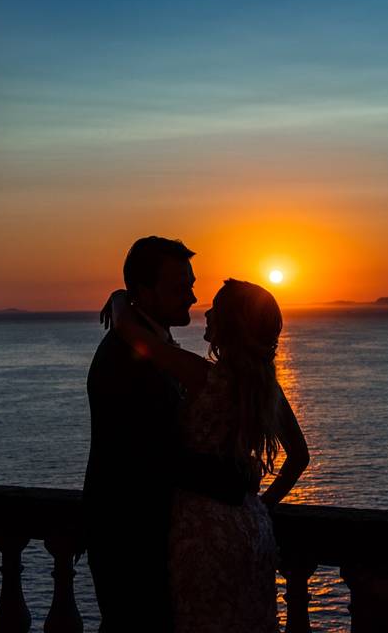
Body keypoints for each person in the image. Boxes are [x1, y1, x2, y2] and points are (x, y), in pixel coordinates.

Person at [103, 278, 310, 633]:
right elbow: (299, 457)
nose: (206, 312)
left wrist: (120, 296)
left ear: (228, 323)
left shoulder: (201, 375)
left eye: (215, 307)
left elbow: (129, 333)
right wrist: (263, 506)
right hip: (251, 527)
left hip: (201, 527)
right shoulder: (262, 385)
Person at [83, 237, 252, 633]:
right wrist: (234, 480)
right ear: (145, 291)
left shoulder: (149, 341)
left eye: (191, 284)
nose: (193, 296)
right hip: (132, 538)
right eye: (180, 287)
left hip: (145, 533)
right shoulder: (127, 357)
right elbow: (152, 457)